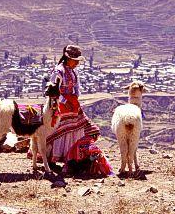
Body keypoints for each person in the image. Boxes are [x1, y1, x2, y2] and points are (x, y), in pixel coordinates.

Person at [28, 44, 113, 176]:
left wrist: (74, 99)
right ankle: (52, 158)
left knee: (82, 126)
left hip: (72, 104)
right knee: (56, 128)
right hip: (58, 105)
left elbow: (77, 88)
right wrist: (65, 101)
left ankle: (72, 157)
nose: (77, 63)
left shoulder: (73, 72)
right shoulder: (58, 71)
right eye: (75, 60)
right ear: (68, 58)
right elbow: (52, 91)